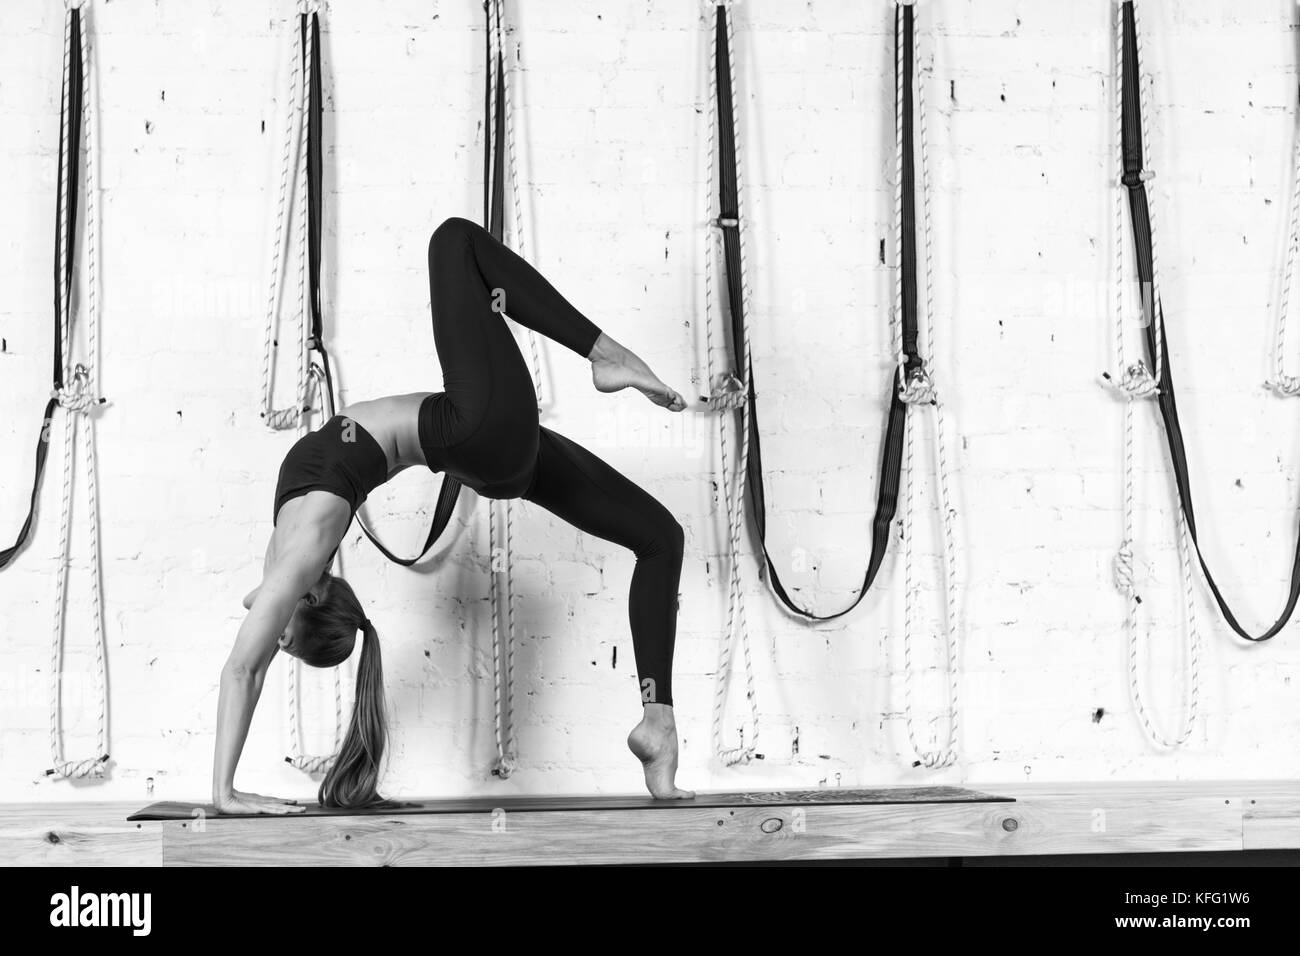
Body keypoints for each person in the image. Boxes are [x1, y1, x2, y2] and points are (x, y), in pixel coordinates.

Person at [213, 217, 694, 814]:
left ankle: (658, 725)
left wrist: (277, 602)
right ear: (309, 597)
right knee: (453, 241)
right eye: (284, 633)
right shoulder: (309, 542)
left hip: (493, 459)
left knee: (660, 537)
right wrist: (223, 793)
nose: (269, 628)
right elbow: (244, 669)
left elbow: (256, 612)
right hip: (477, 433)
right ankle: (607, 354)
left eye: (282, 638)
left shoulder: (290, 562)